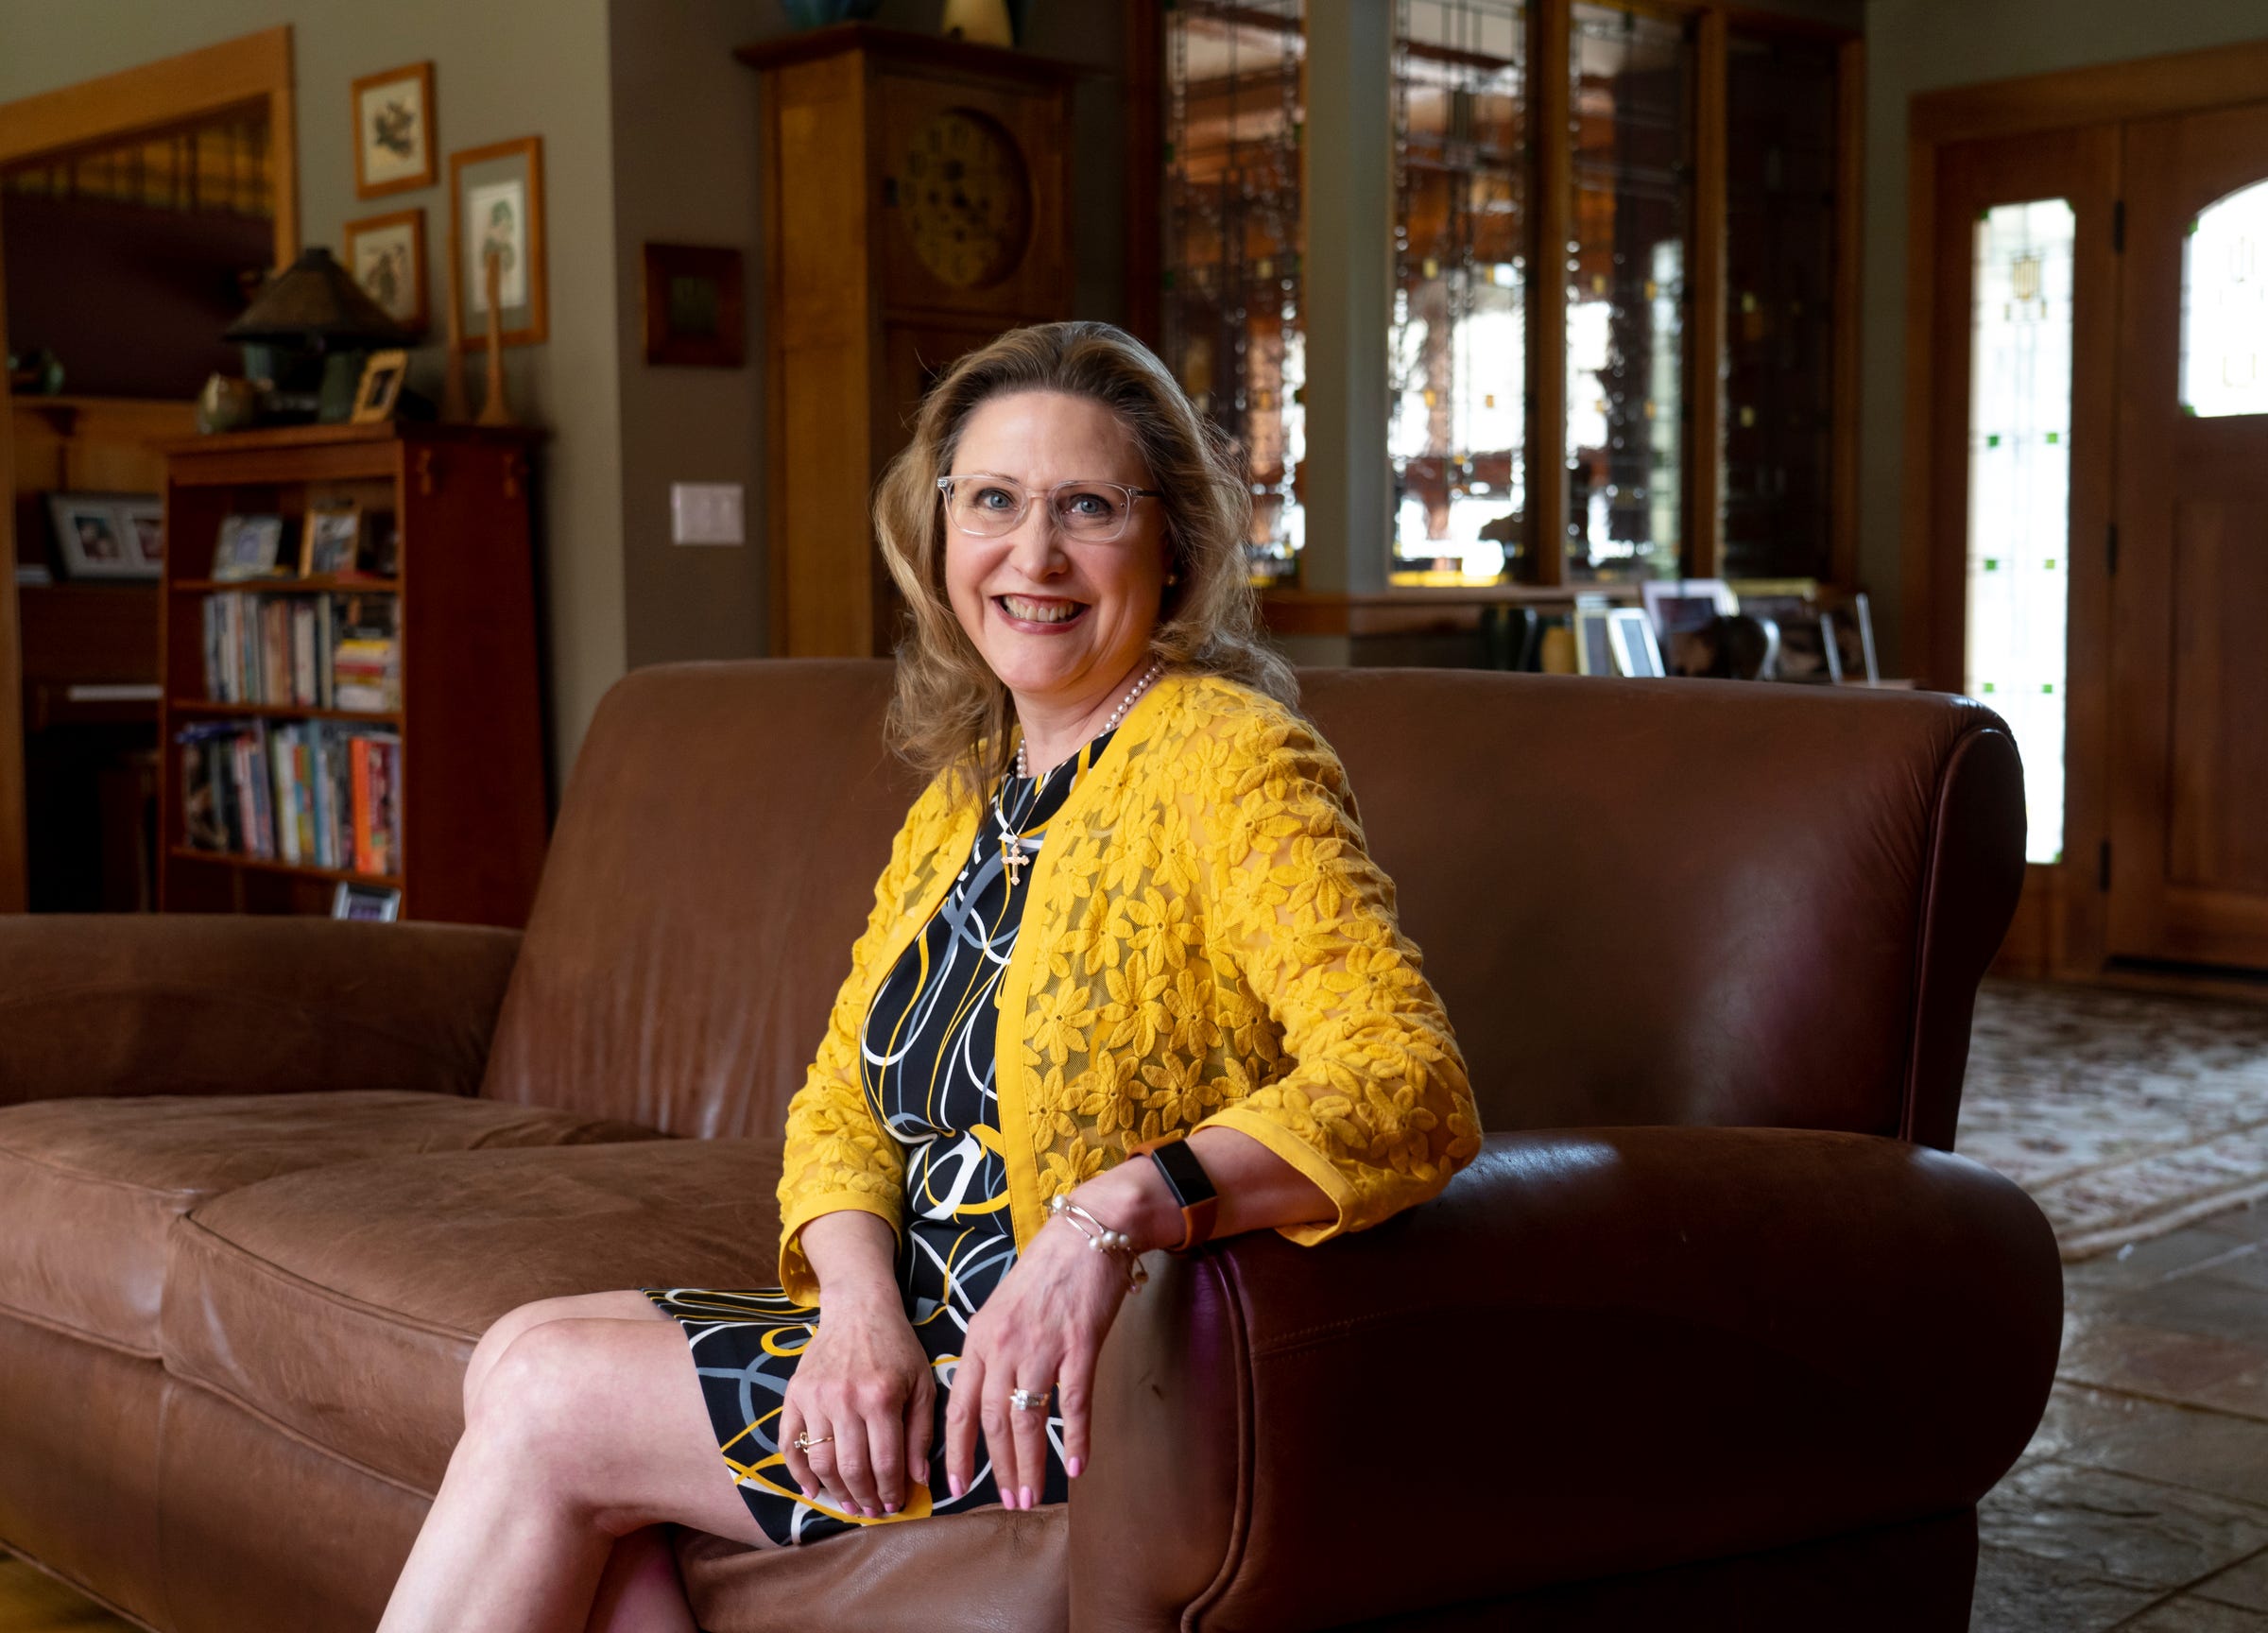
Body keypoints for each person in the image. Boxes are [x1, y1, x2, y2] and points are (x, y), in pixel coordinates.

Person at [377, 320, 1480, 1633]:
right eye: (994, 503)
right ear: (940, 531)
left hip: (1076, 1389)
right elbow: (840, 1106)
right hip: (920, 1345)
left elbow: (1408, 1077)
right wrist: (853, 1312)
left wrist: (1117, 1212)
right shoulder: (968, 796)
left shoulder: (1233, 761)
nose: (1034, 555)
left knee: (554, 1400)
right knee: (517, 1357)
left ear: (1172, 543)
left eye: (1088, 508)